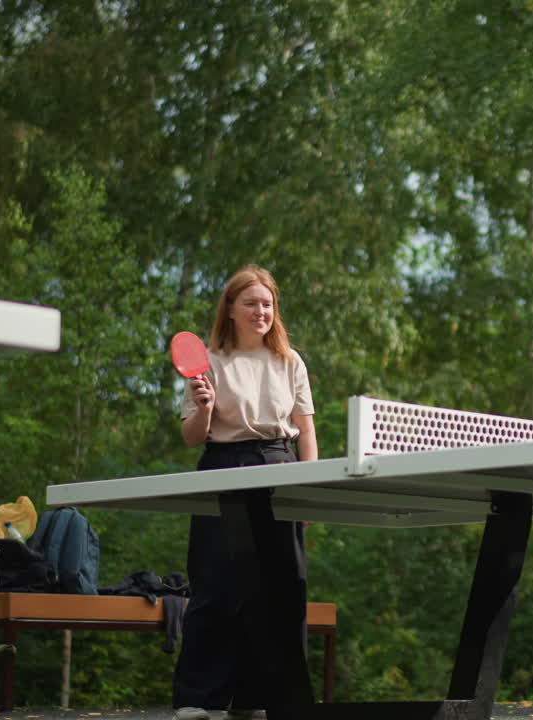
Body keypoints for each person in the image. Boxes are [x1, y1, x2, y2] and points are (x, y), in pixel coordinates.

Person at [172, 265, 317, 720]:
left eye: (268, 304)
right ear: (230, 309)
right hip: (222, 467)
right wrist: (204, 409)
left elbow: (306, 431)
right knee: (216, 585)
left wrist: (308, 489)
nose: (261, 311)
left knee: (284, 591)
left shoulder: (290, 361)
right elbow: (193, 437)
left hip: (280, 465)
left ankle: (262, 699)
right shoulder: (209, 360)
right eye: (251, 303)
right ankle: (198, 699)